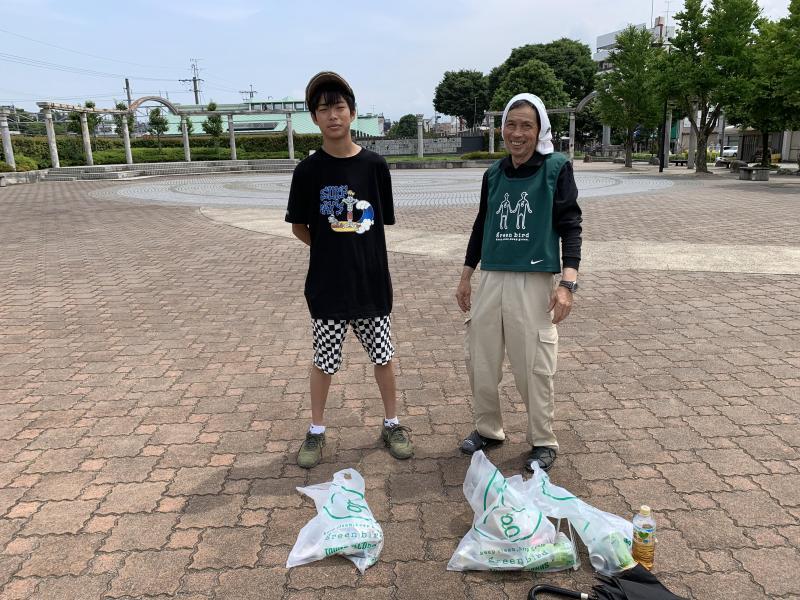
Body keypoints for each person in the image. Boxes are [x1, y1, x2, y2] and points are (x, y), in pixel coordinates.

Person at [285, 71, 413, 469]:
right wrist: (330, 250)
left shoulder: (375, 166)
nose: (332, 115)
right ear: (314, 118)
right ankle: (317, 430)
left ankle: (391, 423)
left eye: (339, 106)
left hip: (372, 282)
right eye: (323, 109)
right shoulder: (308, 172)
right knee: (324, 360)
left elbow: (379, 221)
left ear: (353, 113)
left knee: (383, 356)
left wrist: (350, 246)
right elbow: (299, 226)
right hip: (327, 286)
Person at [455, 93, 582, 472]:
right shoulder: (493, 174)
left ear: (540, 129)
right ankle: (488, 429)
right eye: (510, 125)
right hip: (493, 275)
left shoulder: (557, 168)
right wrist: (466, 275)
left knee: (534, 365)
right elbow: (483, 224)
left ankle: (542, 440)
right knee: (481, 357)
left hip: (535, 278)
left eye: (526, 125)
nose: (517, 133)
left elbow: (570, 225)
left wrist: (567, 283)